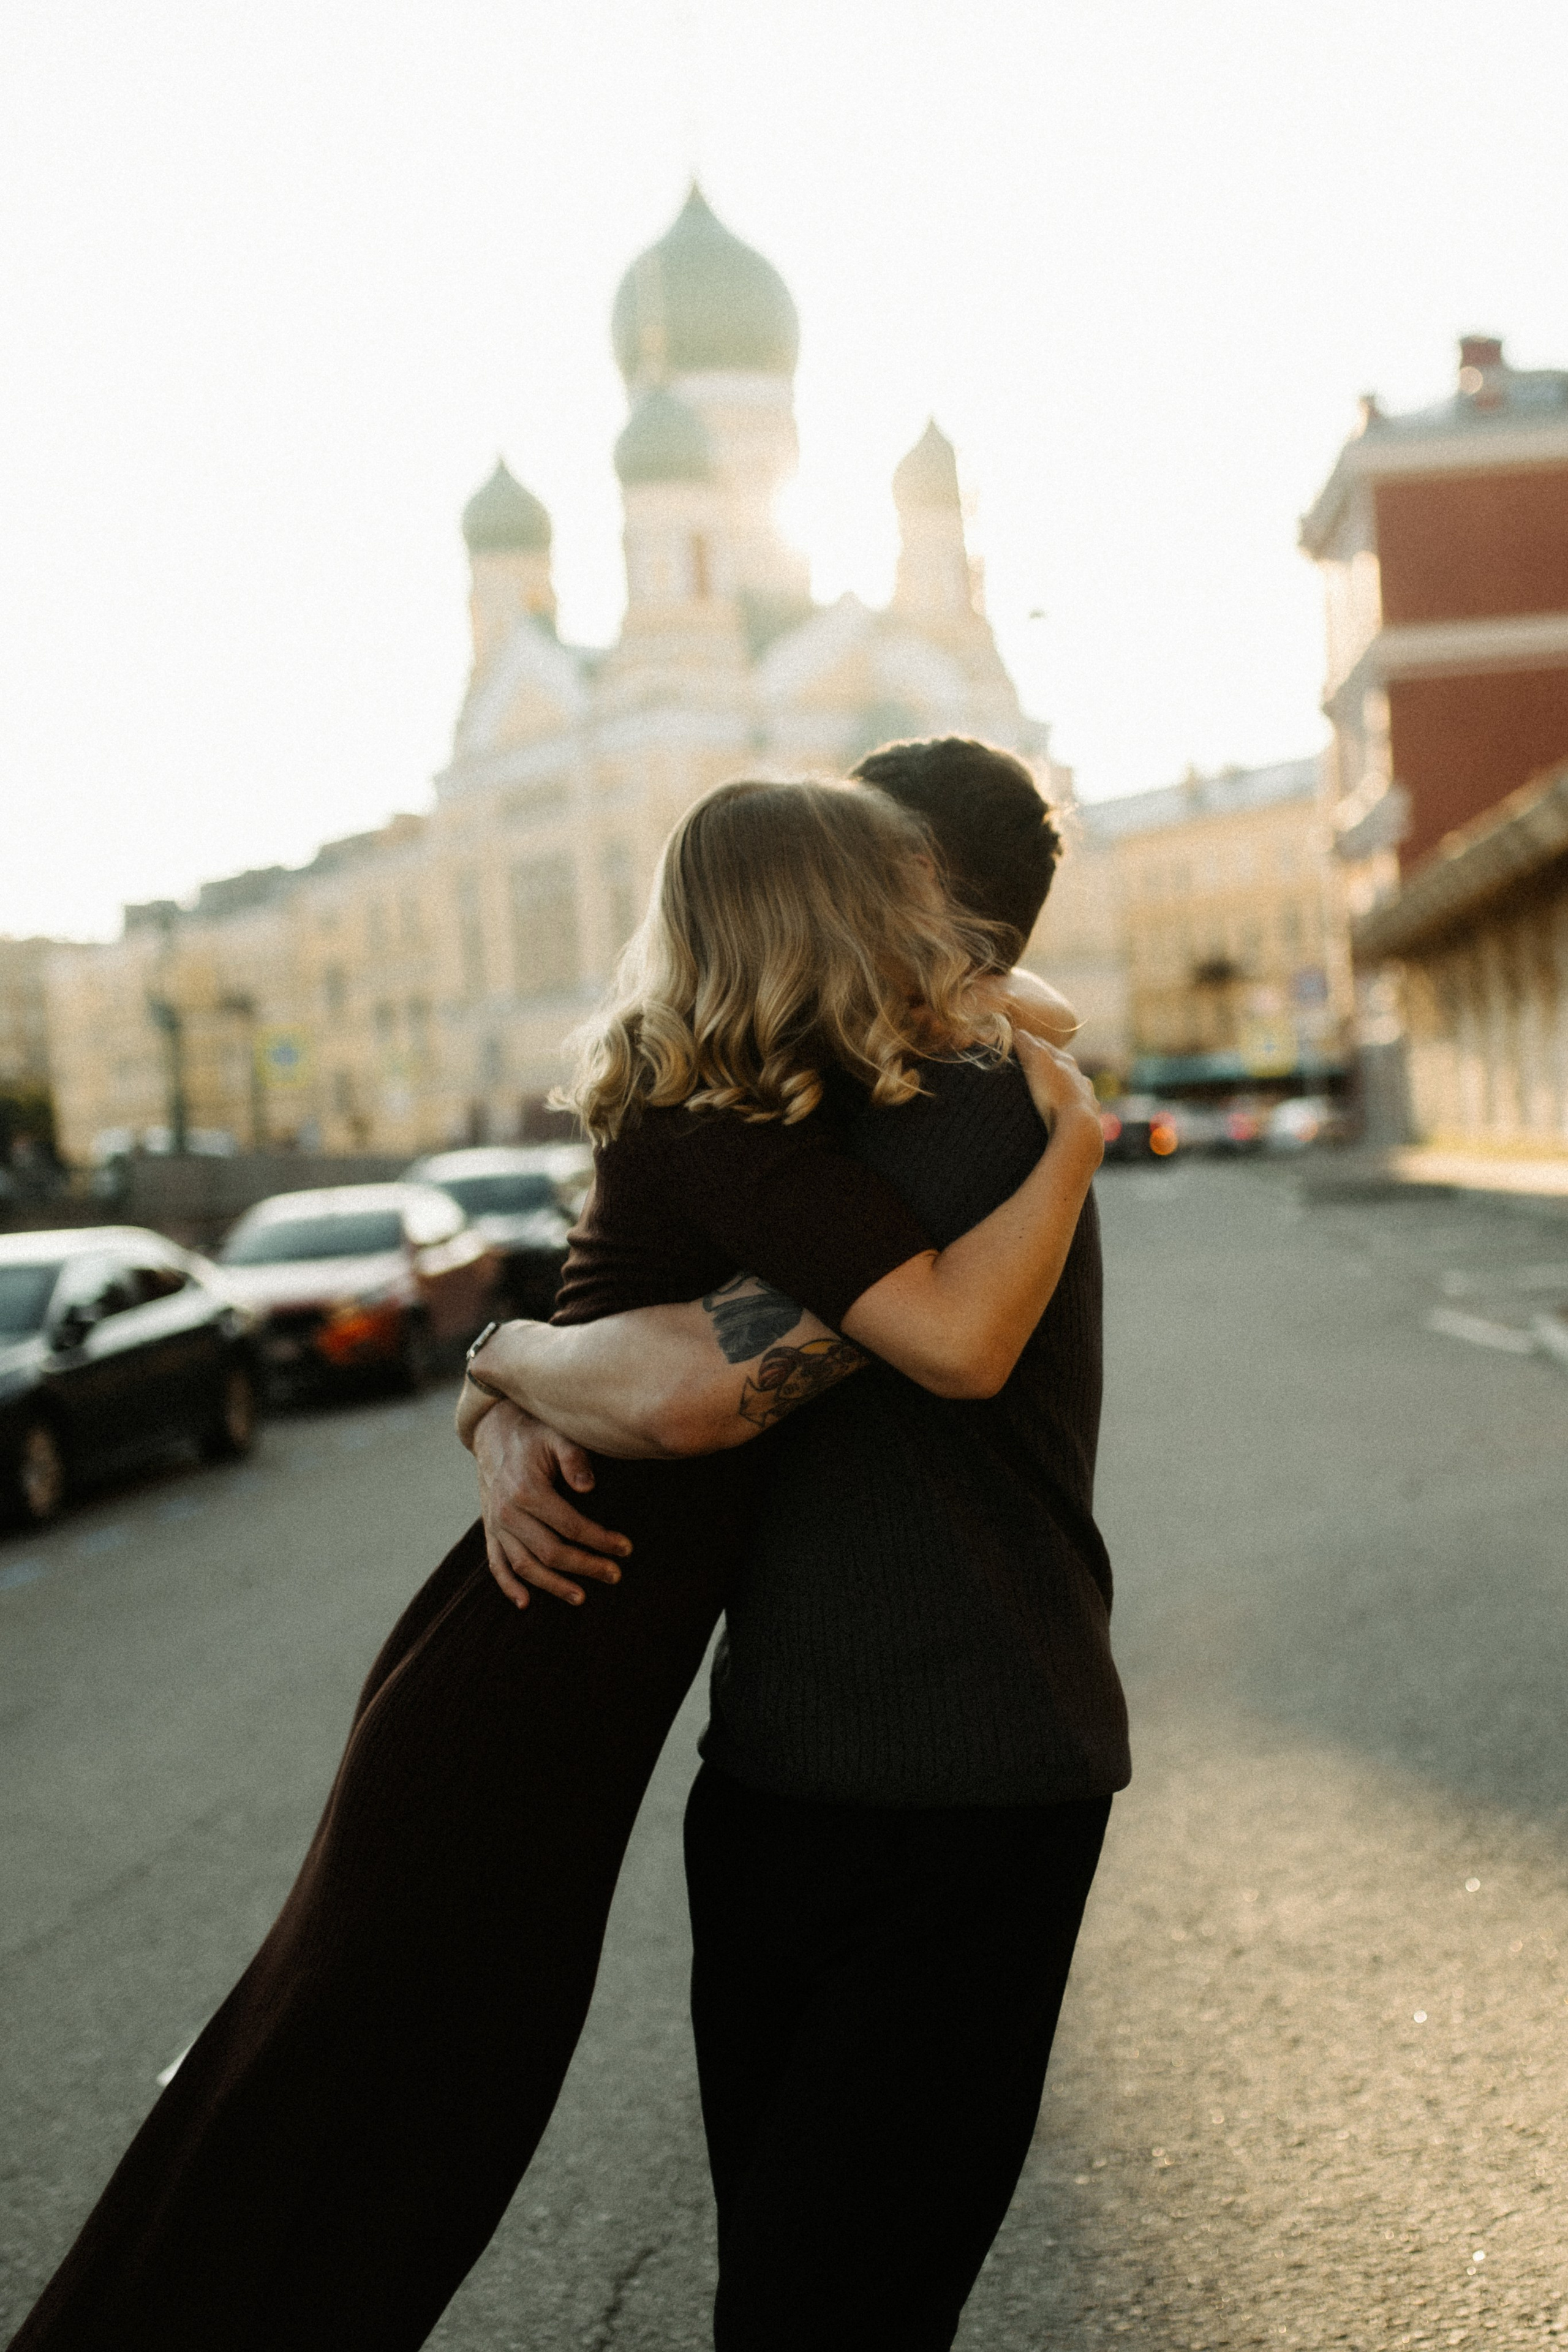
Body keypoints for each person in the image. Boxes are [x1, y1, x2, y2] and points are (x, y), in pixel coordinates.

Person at [11, 774, 1104, 2352]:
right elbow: (787, 1372)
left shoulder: (809, 1102)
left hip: (554, 1667)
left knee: (373, 2119)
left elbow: (1021, 996)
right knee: (349, 2126)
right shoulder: (753, 1140)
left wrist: (509, 1372)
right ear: (847, 924)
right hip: (526, 1688)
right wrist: (511, 1364)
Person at [458, 737, 1128, 2350]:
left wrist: (505, 1365)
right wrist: (506, 1395)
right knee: (788, 2283)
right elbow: (606, 1321)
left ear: (916, 907)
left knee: (830, 2307)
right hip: (777, 1781)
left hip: (965, 1796)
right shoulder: (809, 1103)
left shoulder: (961, 1127)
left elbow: (692, 1387)